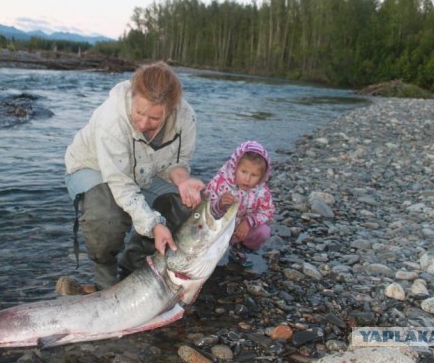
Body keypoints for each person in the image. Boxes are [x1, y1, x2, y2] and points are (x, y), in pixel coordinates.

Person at [63, 61, 205, 290]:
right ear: (132, 95)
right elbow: (121, 185)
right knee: (107, 217)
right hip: (93, 167)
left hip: (145, 171)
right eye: (139, 113)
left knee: (185, 206)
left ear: (171, 109)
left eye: (154, 119)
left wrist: (183, 180)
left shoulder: (186, 118)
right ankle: (105, 276)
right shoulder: (112, 119)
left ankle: (134, 264)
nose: (143, 123)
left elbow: (177, 163)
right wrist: (154, 224)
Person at [204, 140, 275, 268]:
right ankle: (210, 251)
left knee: (264, 232)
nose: (247, 179)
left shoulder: (262, 191)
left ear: (262, 176)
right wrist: (219, 204)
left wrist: (248, 222)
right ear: (235, 167)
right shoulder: (220, 182)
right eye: (243, 172)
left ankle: (239, 247)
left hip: (241, 229)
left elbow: (267, 211)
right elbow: (204, 206)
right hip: (218, 228)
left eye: (254, 175)